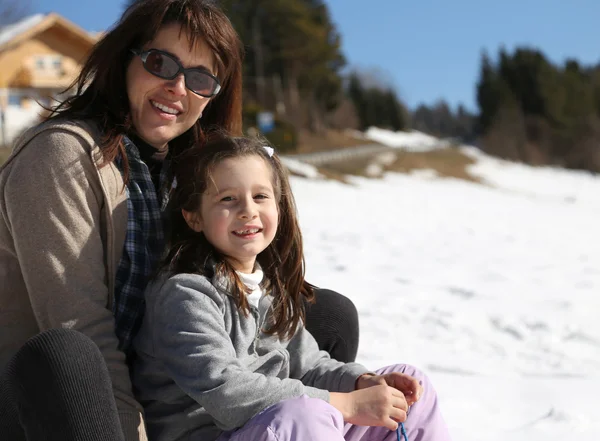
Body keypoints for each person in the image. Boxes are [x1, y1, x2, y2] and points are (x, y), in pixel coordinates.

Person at [0, 1, 358, 440]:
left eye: (200, 78)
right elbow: (80, 325)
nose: (177, 87)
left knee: (328, 317)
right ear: (125, 61)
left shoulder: (186, 171)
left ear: (212, 96)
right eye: (159, 62)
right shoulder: (60, 156)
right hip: (44, 399)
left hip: (157, 374)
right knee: (67, 354)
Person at [131, 134, 452, 441]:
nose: (248, 210)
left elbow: (309, 365)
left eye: (260, 196)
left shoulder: (263, 287)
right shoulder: (185, 294)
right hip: (216, 434)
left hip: (276, 427)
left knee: (409, 390)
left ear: (278, 207)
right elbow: (224, 392)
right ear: (194, 217)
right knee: (305, 415)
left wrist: (361, 382)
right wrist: (347, 405)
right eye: (227, 199)